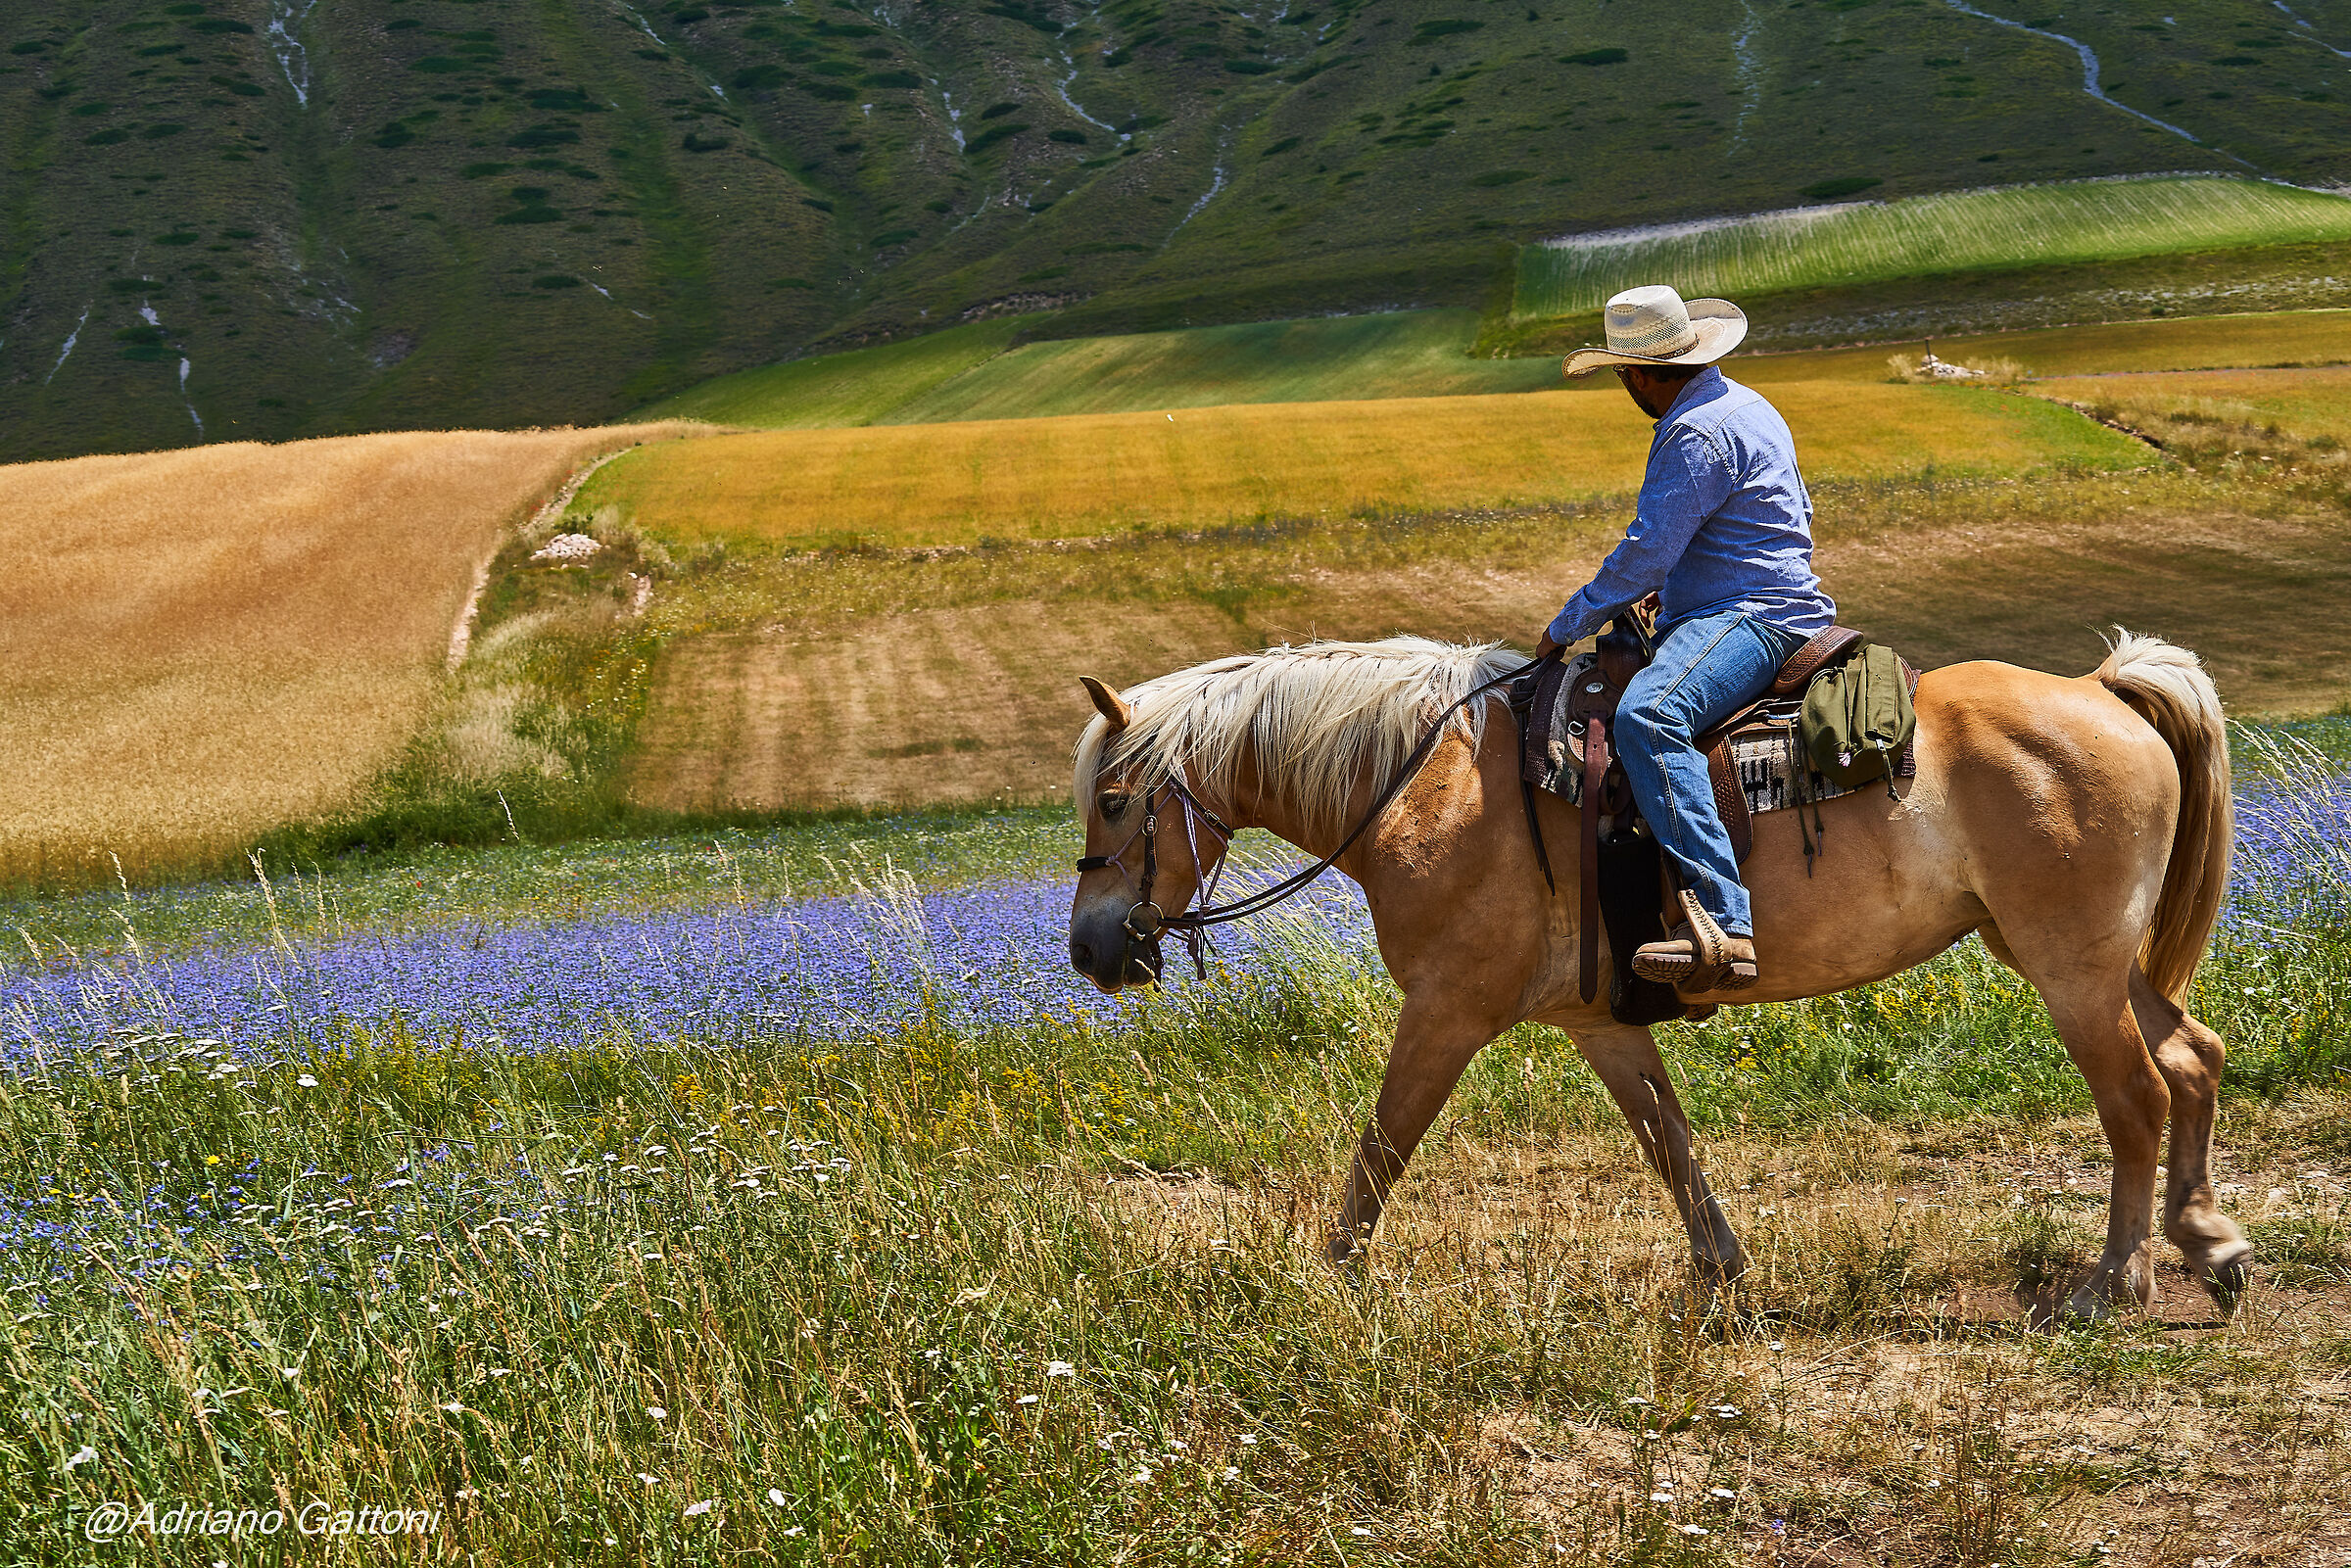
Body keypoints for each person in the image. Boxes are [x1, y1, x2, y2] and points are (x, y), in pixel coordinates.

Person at [1534, 284, 1836, 993]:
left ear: (1636, 374)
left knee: (1649, 715)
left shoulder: (1692, 432)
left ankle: (1727, 926)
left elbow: (1647, 550)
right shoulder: (1748, 405)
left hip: (1750, 617)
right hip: (1775, 600)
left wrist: (1564, 626)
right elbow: (1788, 512)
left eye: (1621, 376)